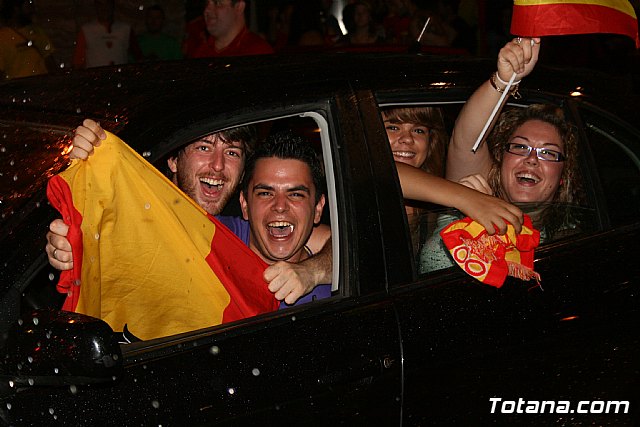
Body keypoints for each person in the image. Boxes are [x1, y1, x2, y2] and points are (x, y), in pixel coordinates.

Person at [47, 120, 331, 305]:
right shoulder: (210, 235)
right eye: (204, 147)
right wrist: (77, 244)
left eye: (232, 152)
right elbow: (119, 238)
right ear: (172, 159)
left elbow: (343, 240)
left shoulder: (240, 225)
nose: (217, 166)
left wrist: (313, 271)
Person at [420, 37, 584, 273]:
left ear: (562, 176)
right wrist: (505, 80)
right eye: (520, 147)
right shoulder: (472, 196)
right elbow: (467, 140)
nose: (532, 159)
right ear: (501, 159)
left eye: (548, 153)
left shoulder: (572, 240)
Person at [183, 0, 273, 58]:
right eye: (206, 3)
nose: (207, 10)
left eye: (217, 3)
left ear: (239, 7)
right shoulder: (201, 52)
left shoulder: (258, 52)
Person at [72, 0, 143, 69]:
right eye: (100, 5)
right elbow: (78, 62)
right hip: (96, 76)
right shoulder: (86, 30)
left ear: (112, 6)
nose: (104, 8)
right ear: (96, 6)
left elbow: (138, 57)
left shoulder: (125, 29)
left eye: (107, 4)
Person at [0, 0, 57, 79]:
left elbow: (49, 61)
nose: (32, 9)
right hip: (19, 85)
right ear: (16, 9)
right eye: (28, 5)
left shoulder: (36, 31)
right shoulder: (3, 37)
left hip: (42, 84)